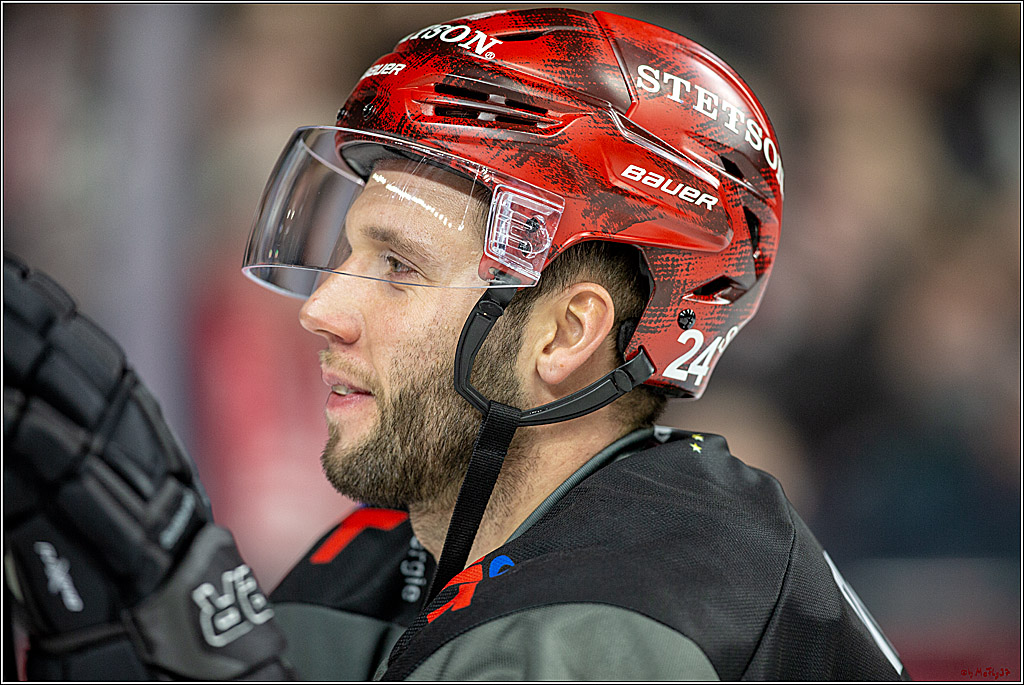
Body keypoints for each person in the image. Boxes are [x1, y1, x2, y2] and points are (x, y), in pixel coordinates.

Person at [3, 7, 908, 681]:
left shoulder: (631, 612)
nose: (321, 310)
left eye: (397, 265)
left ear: (566, 333)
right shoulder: (385, 552)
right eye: (346, 251)